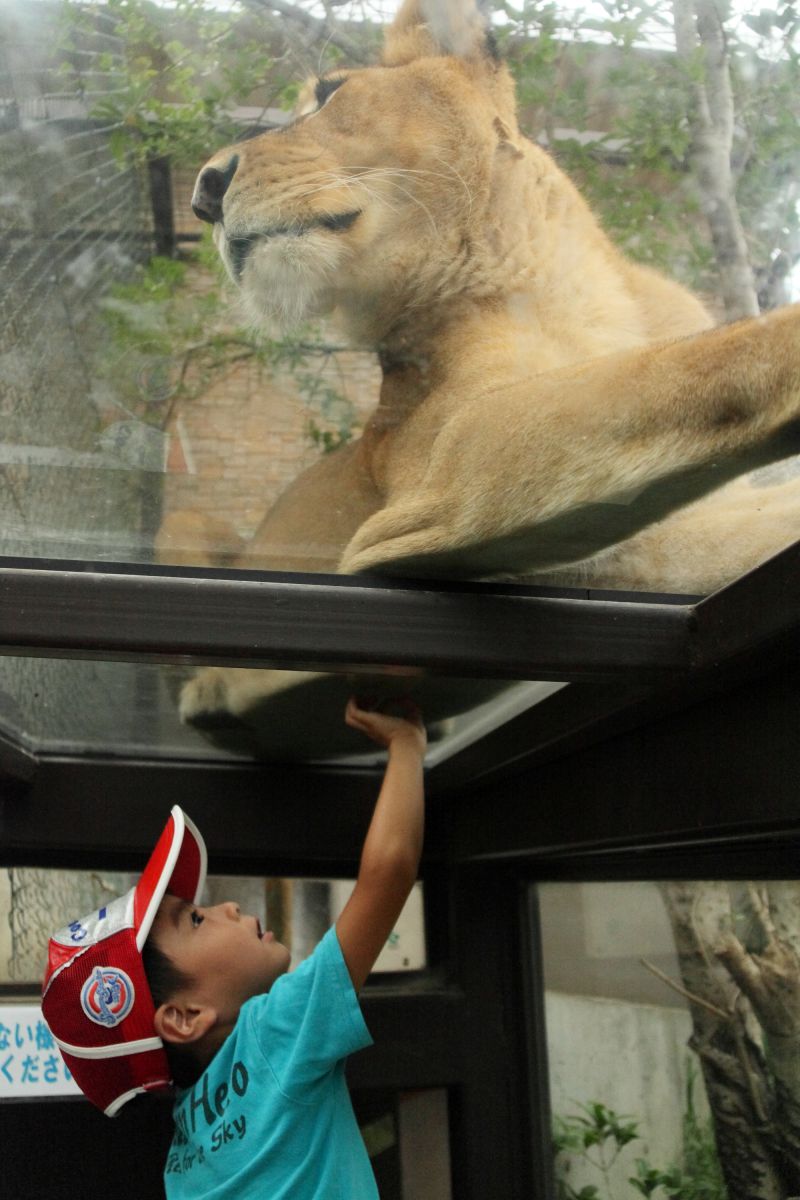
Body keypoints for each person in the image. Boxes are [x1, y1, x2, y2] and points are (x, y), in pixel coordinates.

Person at [42, 697, 426, 1199]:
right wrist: (407, 746)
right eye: (196, 919)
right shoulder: (276, 1034)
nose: (224, 908)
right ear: (184, 1016)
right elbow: (389, 872)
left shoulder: (184, 1161)